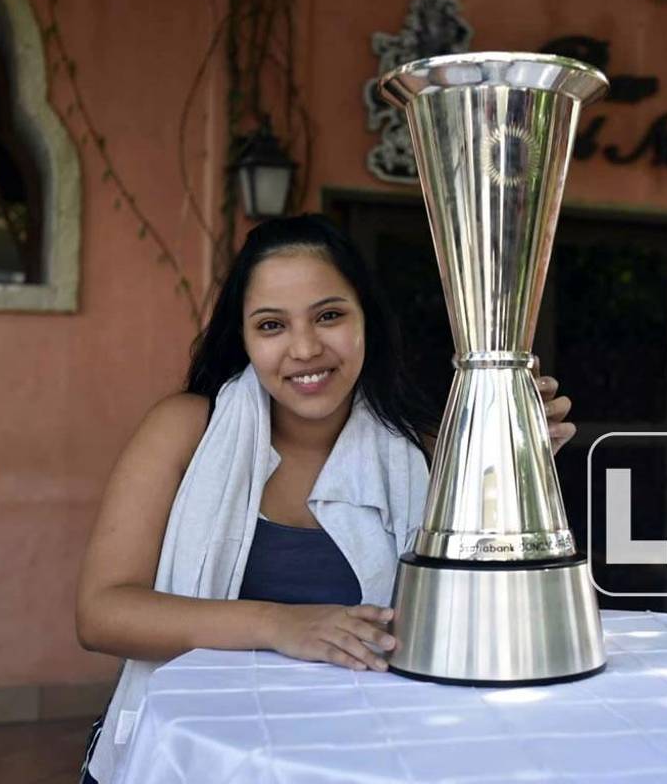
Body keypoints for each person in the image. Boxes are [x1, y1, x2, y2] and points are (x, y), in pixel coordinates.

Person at [74, 214, 576, 783]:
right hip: (201, 753)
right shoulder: (188, 428)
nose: (306, 348)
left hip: (363, 757)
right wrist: (281, 626)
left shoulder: (426, 447)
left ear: (367, 321)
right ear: (242, 338)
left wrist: (509, 470)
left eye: (329, 316)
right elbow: (102, 614)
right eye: (271, 326)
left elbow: (480, 611)